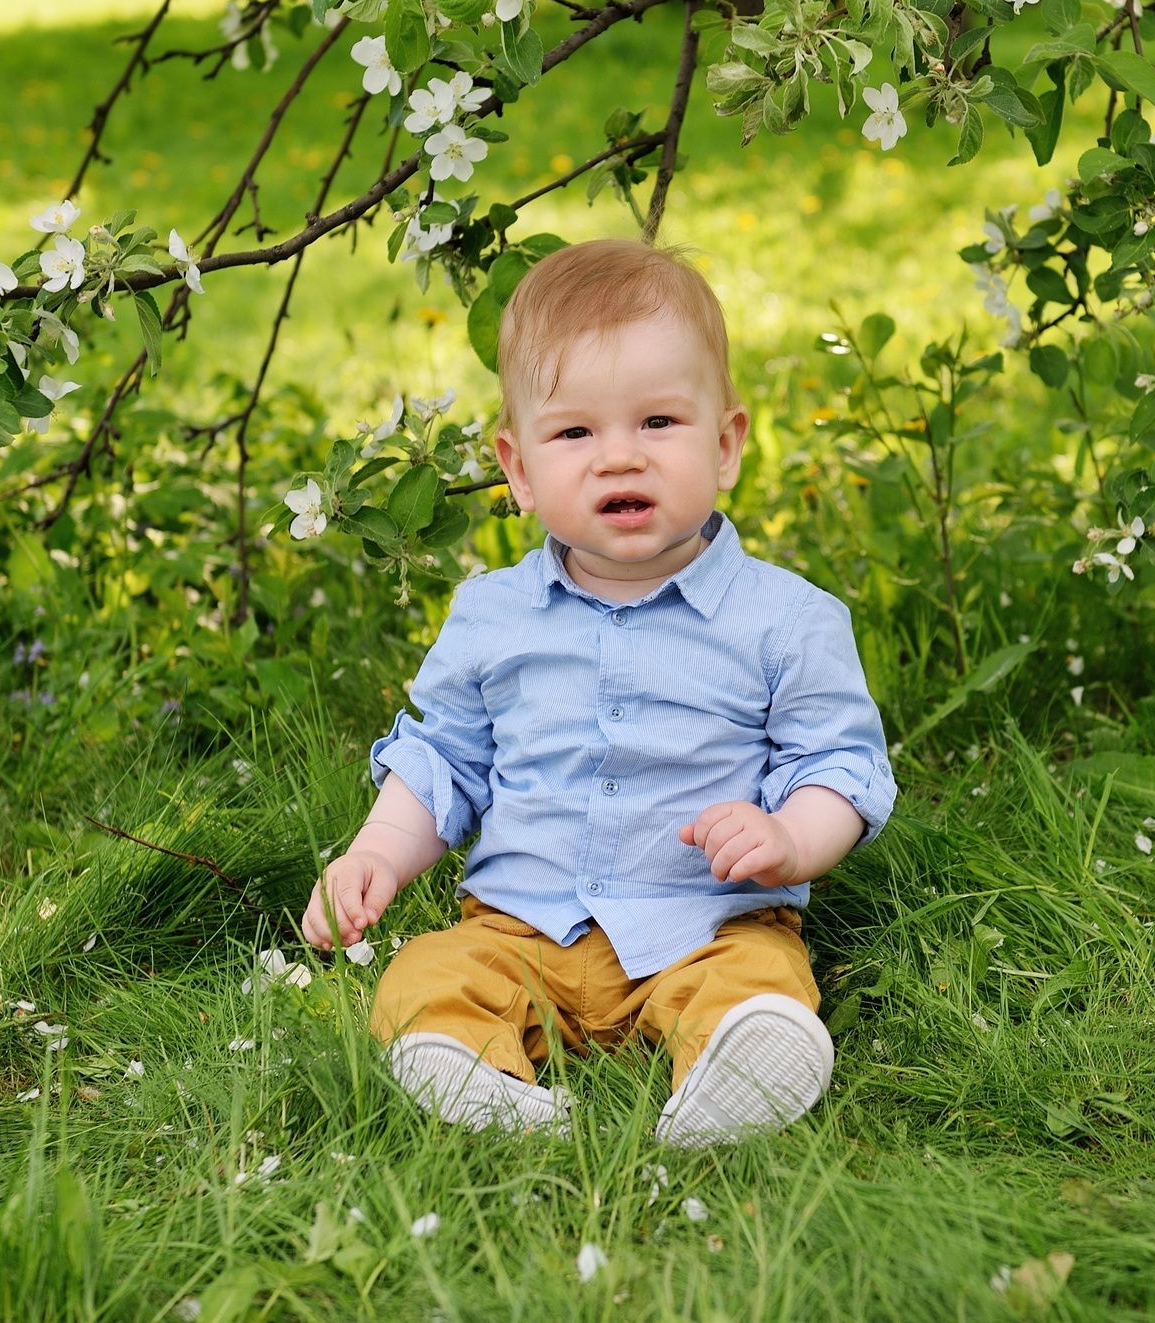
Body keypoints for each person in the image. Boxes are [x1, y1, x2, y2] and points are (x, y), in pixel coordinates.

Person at [297, 238, 895, 1145]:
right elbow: (443, 757)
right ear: (521, 468)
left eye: (658, 422)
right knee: (425, 975)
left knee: (755, 983)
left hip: (707, 923)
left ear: (726, 444)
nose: (619, 458)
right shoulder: (493, 616)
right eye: (576, 432)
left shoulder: (786, 619)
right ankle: (482, 1082)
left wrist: (788, 837)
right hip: (519, 926)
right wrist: (378, 850)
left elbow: (840, 764)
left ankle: (737, 1067)